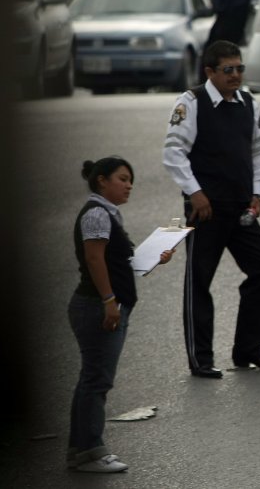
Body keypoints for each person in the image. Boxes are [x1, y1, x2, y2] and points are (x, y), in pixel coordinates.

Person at [163, 40, 260, 378]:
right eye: (228, 70)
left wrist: (257, 192)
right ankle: (200, 358)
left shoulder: (248, 102)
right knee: (199, 281)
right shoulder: (192, 102)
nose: (235, 75)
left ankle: (248, 348)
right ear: (210, 72)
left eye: (239, 69)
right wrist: (195, 193)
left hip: (241, 206)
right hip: (206, 209)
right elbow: (173, 152)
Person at [68, 157, 173, 473]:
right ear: (102, 180)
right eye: (123, 178)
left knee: (94, 377)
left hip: (101, 305)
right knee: (97, 379)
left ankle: (82, 448)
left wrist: (157, 256)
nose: (129, 186)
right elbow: (94, 259)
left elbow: (122, 264)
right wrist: (109, 301)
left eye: (131, 181)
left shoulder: (107, 214)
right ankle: (88, 452)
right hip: (97, 307)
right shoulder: (98, 213)